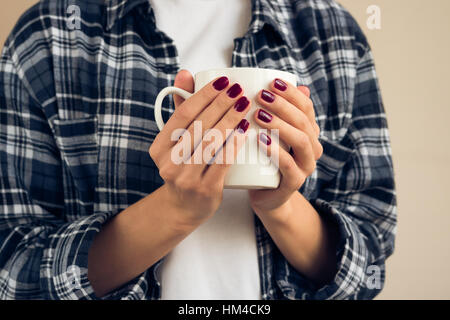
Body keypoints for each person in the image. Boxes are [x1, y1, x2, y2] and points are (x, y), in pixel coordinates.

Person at [0, 0, 396, 300]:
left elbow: (368, 264)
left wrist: (282, 206)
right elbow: (14, 270)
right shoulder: (51, 32)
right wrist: (173, 211)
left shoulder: (334, 33)